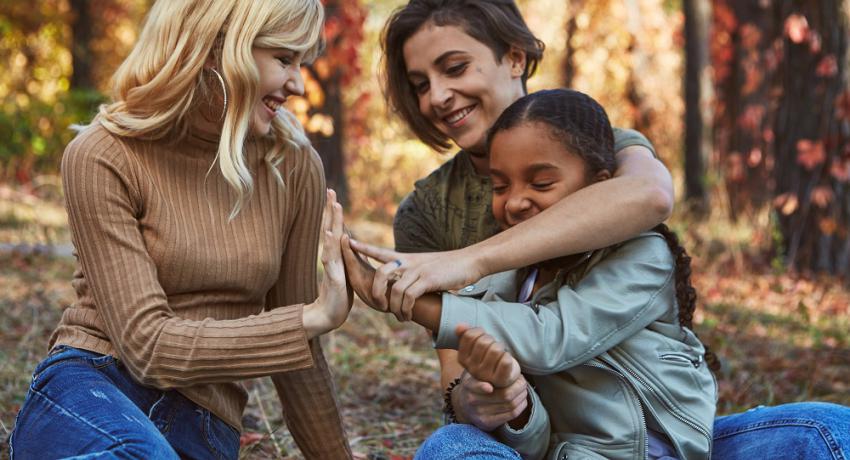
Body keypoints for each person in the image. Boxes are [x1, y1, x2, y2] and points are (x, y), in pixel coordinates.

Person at [347, 0, 850, 458]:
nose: (437, 96)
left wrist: (463, 264)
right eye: (420, 84)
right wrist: (497, 400)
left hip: (650, 441)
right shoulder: (426, 212)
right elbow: (461, 390)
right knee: (453, 446)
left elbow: (649, 196)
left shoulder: (591, 137)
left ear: (515, 57)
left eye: (455, 67)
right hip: (554, 444)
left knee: (827, 429)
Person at [8, 1, 353, 458]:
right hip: (95, 387)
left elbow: (300, 360)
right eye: (284, 59)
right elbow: (147, 347)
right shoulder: (103, 154)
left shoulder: (292, 165)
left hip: (206, 424)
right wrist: (312, 316)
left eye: (302, 63)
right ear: (215, 48)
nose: (298, 84)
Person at [347, 88, 719, 459]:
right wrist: (515, 404)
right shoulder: (512, 281)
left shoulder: (643, 255)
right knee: (453, 443)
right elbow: (537, 445)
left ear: (600, 187)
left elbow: (551, 337)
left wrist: (407, 301)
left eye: (541, 184)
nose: (515, 201)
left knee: (774, 429)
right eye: (500, 186)